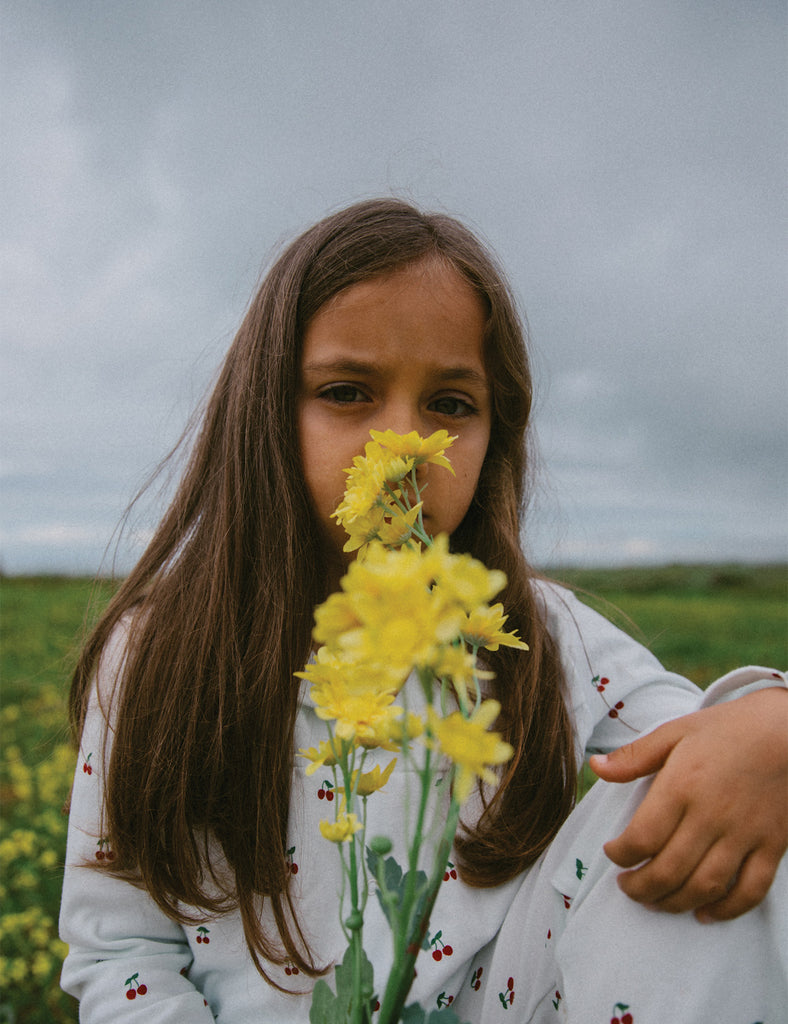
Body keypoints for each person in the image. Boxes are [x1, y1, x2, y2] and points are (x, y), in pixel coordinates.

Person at [59, 198, 788, 1022]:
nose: (401, 448)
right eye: (347, 392)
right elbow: (119, 955)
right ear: (265, 413)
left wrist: (771, 724)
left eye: (450, 405)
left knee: (722, 803)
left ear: (494, 435)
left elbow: (707, 746)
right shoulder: (159, 650)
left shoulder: (539, 628)